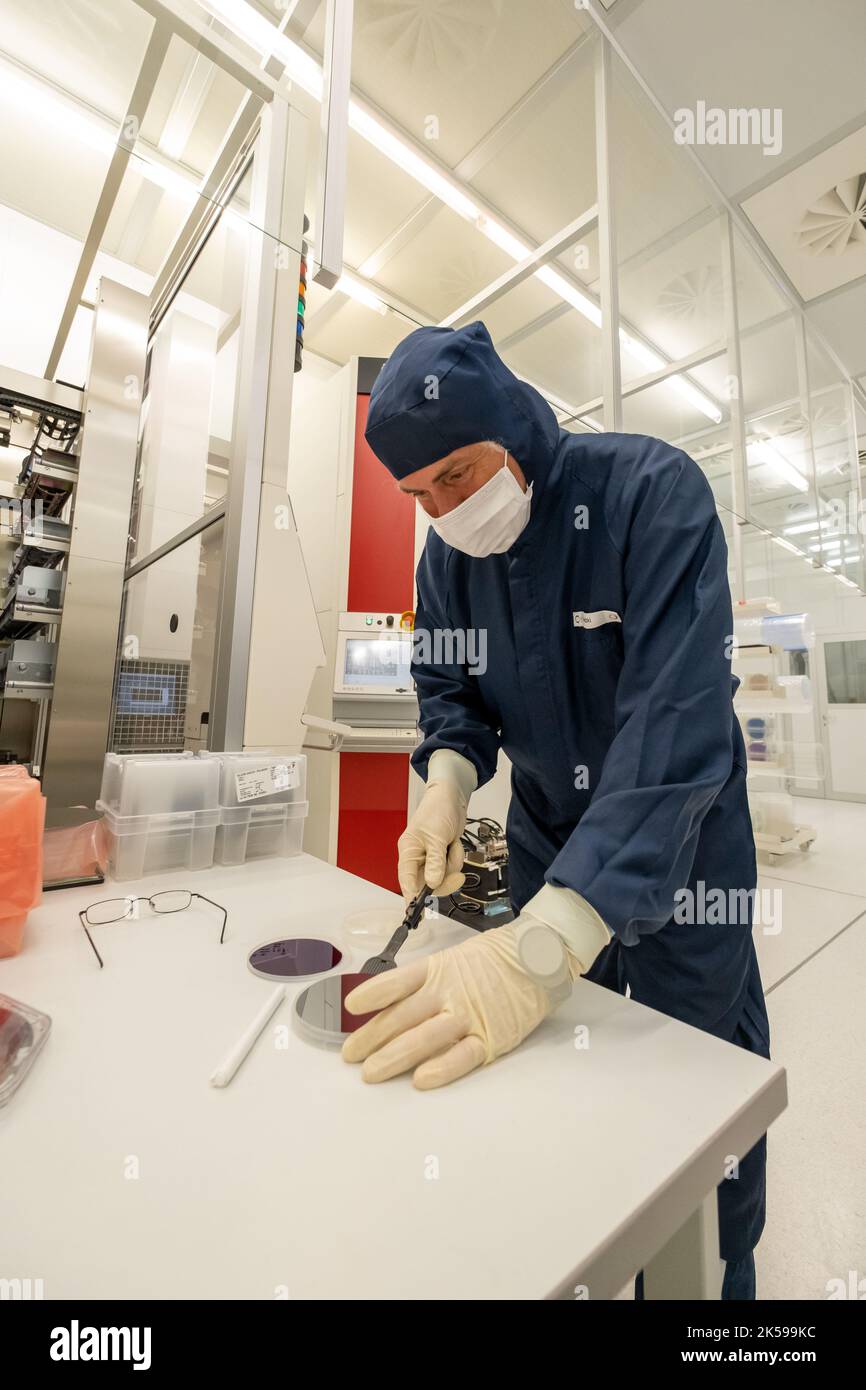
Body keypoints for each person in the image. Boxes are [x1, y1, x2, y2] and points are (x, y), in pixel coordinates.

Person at [341, 320, 770, 1300]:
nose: (443, 510)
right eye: (417, 496)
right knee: (556, 1083)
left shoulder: (649, 496)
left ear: (511, 425)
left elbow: (675, 729)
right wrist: (443, 789)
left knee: (692, 1101)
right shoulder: (447, 564)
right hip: (541, 846)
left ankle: (715, 1284)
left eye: (455, 473)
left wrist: (551, 942)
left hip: (679, 865)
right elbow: (452, 696)